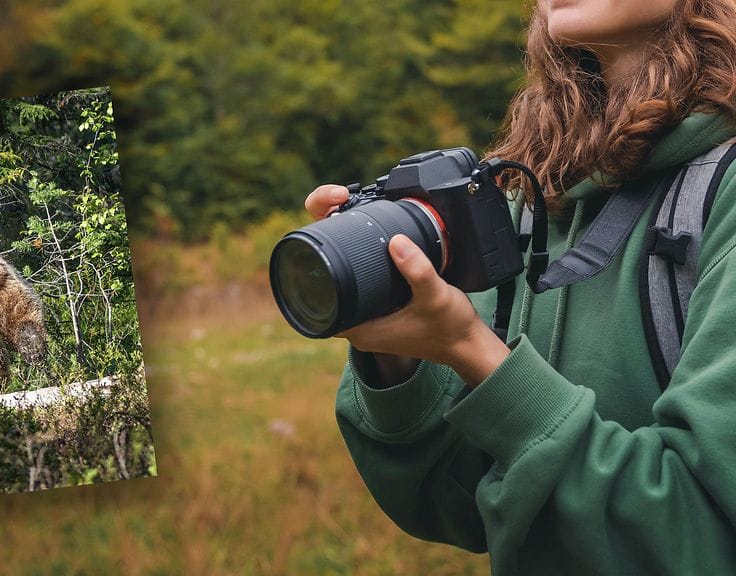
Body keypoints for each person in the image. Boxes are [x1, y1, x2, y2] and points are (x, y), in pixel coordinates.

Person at [305, 0, 736, 574]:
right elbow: (459, 504)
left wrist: (474, 354)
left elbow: (700, 536)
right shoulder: (535, 189)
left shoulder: (721, 196)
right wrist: (398, 358)